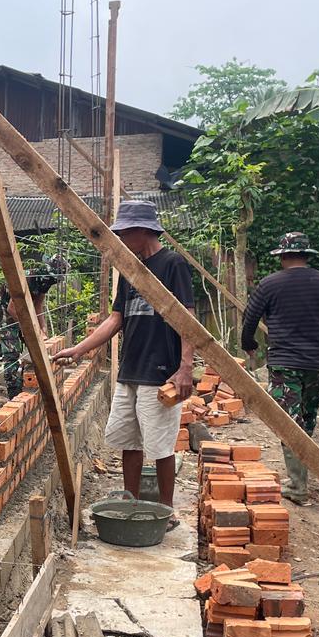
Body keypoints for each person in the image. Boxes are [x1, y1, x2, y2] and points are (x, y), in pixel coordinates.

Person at [54, 201, 195, 507]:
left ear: (143, 230)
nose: (120, 239)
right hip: (130, 369)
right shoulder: (129, 270)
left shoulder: (173, 265)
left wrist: (185, 368)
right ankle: (131, 502)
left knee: (160, 447)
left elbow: (188, 319)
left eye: (125, 233)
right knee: (129, 441)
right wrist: (79, 349)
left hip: (160, 372)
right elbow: (116, 319)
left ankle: (166, 510)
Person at [240, 231, 319, 504]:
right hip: (316, 365)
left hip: (284, 364)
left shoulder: (269, 284)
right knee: (306, 420)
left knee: (288, 422)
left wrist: (248, 343)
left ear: (282, 256)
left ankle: (298, 486)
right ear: (307, 256)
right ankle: (301, 478)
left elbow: (250, 318)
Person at [0, 255, 68, 398]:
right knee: (12, 353)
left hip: (23, 311)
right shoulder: (27, 279)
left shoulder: (46, 281)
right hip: (5, 311)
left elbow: (38, 305)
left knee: (33, 346)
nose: (54, 281)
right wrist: (30, 328)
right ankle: (14, 394)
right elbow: (12, 309)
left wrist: (43, 330)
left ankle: (26, 384)